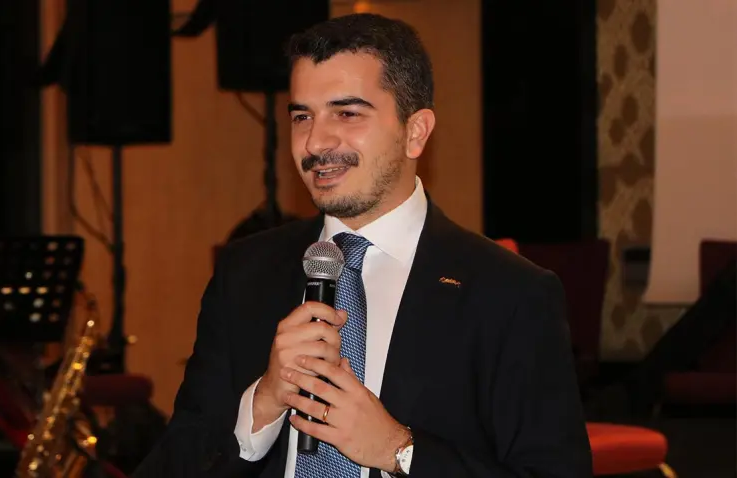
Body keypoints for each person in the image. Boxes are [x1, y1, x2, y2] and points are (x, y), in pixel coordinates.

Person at [132, 13, 592, 478]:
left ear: (415, 132)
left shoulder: (509, 294)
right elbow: (172, 464)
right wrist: (263, 403)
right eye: (302, 116)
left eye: (347, 113)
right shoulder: (244, 274)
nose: (316, 142)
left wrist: (400, 450)